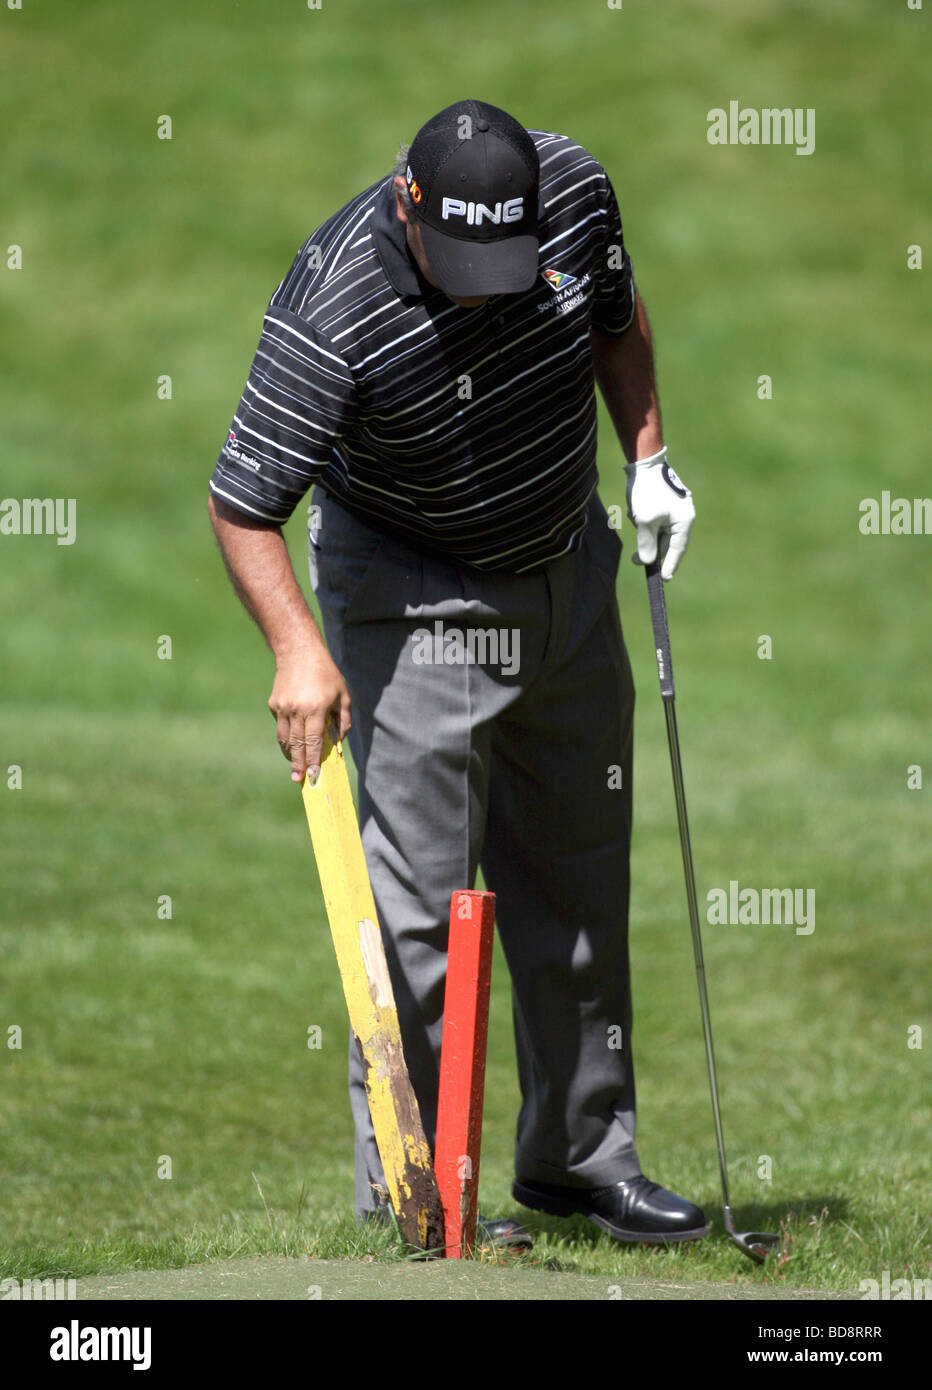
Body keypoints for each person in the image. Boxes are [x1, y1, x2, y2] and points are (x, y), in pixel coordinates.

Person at [208, 99, 705, 1249]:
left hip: (563, 572)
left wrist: (647, 461)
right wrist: (297, 648)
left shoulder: (571, 192)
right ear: (406, 208)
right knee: (420, 915)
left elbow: (615, 324)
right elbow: (243, 505)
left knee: (578, 877)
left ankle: (580, 1160)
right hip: (414, 596)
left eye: (507, 261)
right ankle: (416, 1194)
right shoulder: (334, 302)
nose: (488, 285)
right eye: (463, 264)